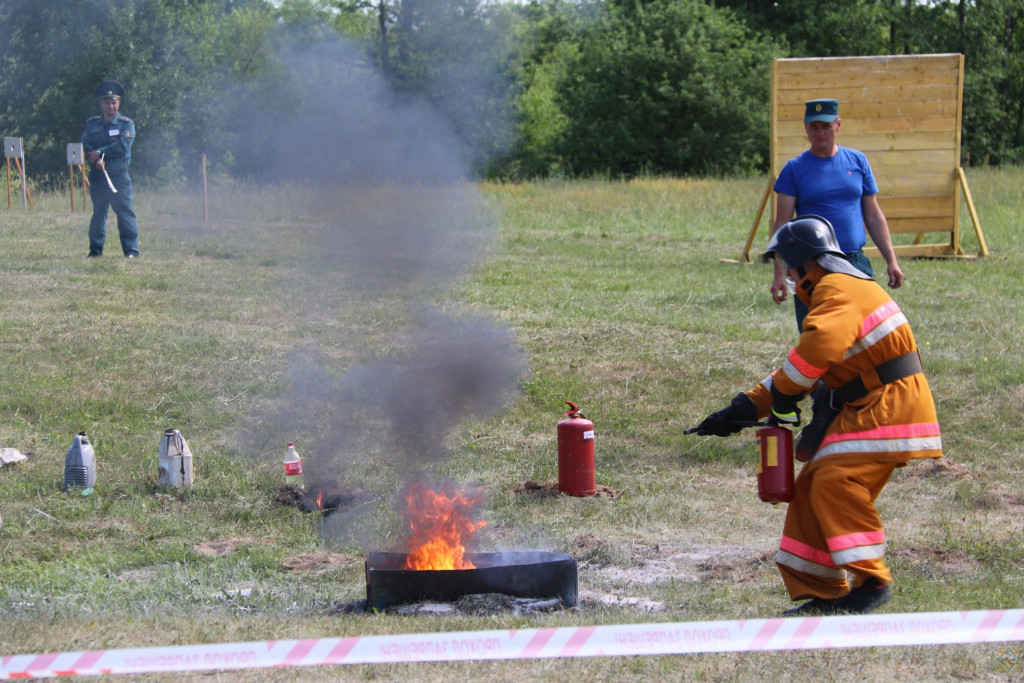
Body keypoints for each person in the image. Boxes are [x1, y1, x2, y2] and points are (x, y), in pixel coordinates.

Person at [696, 215, 942, 615]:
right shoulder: (836, 290)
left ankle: (872, 581)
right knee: (812, 487)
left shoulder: (837, 290)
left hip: (890, 406)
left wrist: (784, 396)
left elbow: (813, 358)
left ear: (806, 262)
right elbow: (804, 368)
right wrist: (741, 409)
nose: (788, 276)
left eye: (790, 268)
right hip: (870, 405)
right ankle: (825, 591)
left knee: (834, 479)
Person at [770, 98, 902, 331]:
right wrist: (779, 273)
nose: (820, 133)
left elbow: (873, 215)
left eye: (826, 126)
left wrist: (891, 260)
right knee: (817, 334)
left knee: (863, 333)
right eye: (814, 127)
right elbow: (782, 224)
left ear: (838, 125)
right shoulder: (794, 169)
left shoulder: (857, 161)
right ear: (806, 129)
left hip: (854, 262)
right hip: (812, 266)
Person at [82, 80, 139, 258]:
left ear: (119, 102)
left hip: (119, 177)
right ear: (101, 103)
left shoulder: (126, 124)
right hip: (99, 177)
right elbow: (86, 145)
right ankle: (95, 251)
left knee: (125, 213)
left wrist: (100, 153)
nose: (111, 105)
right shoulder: (92, 124)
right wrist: (94, 160)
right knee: (98, 214)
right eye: (107, 102)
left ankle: (131, 251)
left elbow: (123, 146)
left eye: (114, 102)